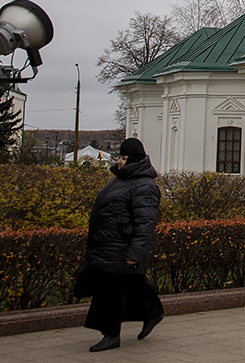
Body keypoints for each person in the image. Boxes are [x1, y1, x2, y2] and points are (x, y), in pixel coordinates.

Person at [76, 138, 164, 352]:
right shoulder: (121, 179)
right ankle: (151, 312)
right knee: (130, 286)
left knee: (110, 292)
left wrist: (136, 252)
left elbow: (145, 223)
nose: (120, 161)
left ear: (133, 160)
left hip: (121, 247)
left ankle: (111, 334)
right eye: (120, 157)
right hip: (110, 244)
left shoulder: (144, 186)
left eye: (124, 158)